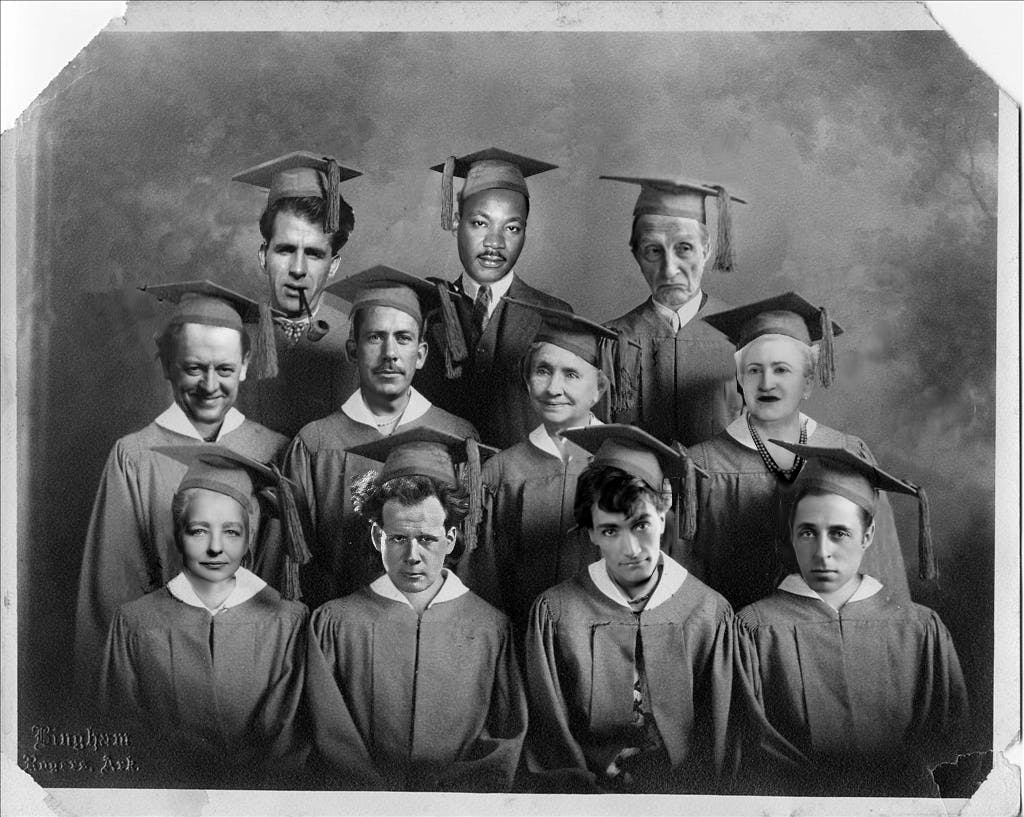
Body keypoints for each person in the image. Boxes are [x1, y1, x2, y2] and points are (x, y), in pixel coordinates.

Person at [74, 282, 289, 701]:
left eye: (225, 370)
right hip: (160, 676)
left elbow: (284, 585)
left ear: (245, 364)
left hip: (257, 674)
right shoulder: (134, 455)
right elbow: (112, 595)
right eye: (193, 368)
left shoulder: (276, 453)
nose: (210, 385)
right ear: (169, 365)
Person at [736, 442, 967, 797]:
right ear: (791, 533)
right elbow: (746, 749)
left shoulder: (919, 628)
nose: (822, 552)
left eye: (839, 533)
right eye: (808, 532)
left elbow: (950, 743)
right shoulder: (754, 629)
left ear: (868, 535)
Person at [304, 428, 527, 791]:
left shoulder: (491, 629)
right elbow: (330, 737)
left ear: (450, 539)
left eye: (426, 539)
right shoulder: (334, 624)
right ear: (378, 538)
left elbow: (505, 737)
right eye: (397, 539)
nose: (412, 556)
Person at [524, 425, 735, 794]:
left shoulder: (708, 613)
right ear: (588, 530)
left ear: (665, 506)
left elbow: (718, 738)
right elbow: (550, 736)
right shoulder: (556, 614)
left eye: (641, 525)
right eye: (609, 531)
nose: (631, 549)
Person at [687, 291, 918, 612]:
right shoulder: (702, 466)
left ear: (807, 382)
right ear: (740, 380)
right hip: (736, 644)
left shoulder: (847, 452)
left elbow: (881, 575)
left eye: (782, 370)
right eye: (754, 370)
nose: (766, 383)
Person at [99, 445, 310, 788]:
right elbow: (122, 728)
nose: (215, 547)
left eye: (231, 531)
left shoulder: (288, 621)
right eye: (199, 530)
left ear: (249, 538)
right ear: (178, 534)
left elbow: (290, 741)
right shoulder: (135, 623)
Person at [285, 265, 478, 610]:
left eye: (403, 338)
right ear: (352, 350)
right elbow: (298, 559)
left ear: (420, 355)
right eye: (375, 337)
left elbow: (470, 557)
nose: (390, 353)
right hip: (339, 629)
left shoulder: (459, 437)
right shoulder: (314, 443)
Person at [459, 301, 620, 645]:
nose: (553, 388)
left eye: (572, 374)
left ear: (599, 388)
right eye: (543, 371)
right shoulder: (500, 472)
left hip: (609, 648)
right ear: (527, 380)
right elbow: (482, 579)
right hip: (521, 643)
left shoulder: (626, 463)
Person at [416, 147, 573, 449]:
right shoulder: (425, 308)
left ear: (525, 232)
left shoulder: (555, 317)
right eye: (480, 223)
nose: (495, 242)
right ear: (456, 221)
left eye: (512, 228)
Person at [600, 175, 745, 446]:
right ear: (636, 255)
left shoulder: (743, 337)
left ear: (707, 250)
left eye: (684, 248)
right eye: (653, 250)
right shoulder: (610, 340)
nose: (669, 269)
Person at [232, 151, 362, 436]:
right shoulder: (229, 340)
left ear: (333, 266)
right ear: (264, 256)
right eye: (286, 249)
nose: (298, 269)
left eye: (314, 254)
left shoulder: (359, 344)